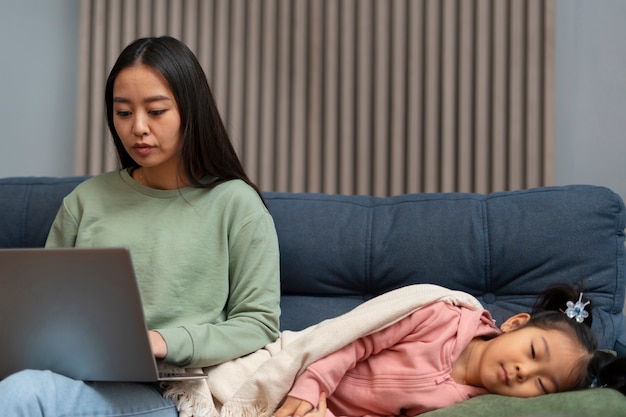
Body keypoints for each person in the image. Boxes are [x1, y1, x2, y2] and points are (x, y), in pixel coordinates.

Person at [0, 36, 281, 416]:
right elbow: (45, 316)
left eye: (156, 111)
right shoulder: (86, 201)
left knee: (23, 394)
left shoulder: (235, 204)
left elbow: (259, 323)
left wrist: (160, 342)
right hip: (79, 379)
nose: (138, 128)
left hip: (170, 392)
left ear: (190, 111)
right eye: (124, 113)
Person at [274, 284, 626, 417]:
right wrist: (313, 383)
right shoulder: (442, 318)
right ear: (515, 324)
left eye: (542, 385)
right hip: (307, 368)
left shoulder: (467, 406)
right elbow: (357, 339)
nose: (524, 372)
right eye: (533, 353)